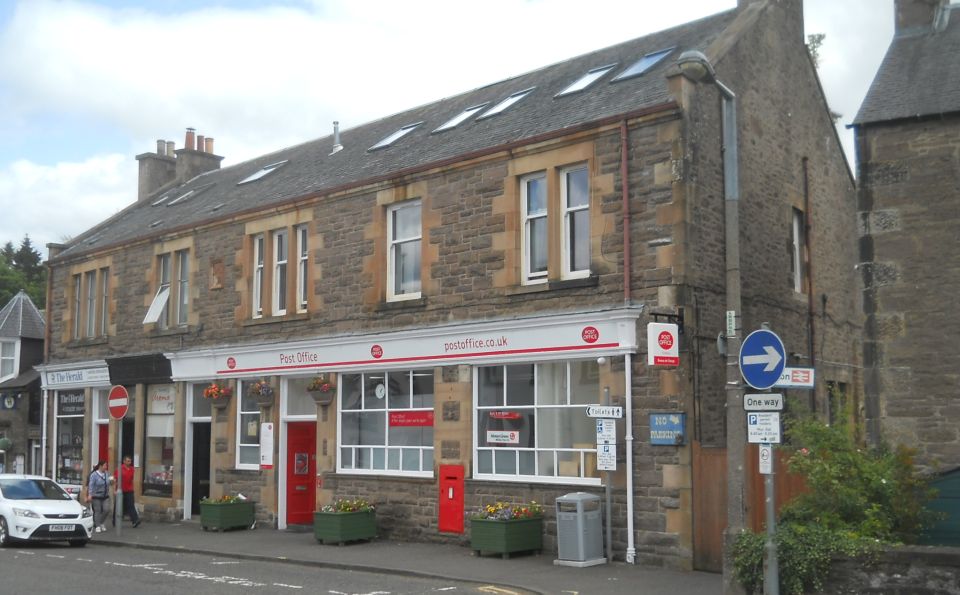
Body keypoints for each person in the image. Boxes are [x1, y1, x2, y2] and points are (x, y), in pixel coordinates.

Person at [113, 456, 141, 528]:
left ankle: (135, 520)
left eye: (130, 461)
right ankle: (115, 520)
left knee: (131, 505)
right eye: (128, 461)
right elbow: (115, 480)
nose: (129, 462)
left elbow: (131, 479)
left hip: (129, 490)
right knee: (118, 506)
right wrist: (115, 490)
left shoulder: (132, 469)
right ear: (124, 461)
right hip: (120, 490)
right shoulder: (119, 469)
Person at [86, 460, 111, 533]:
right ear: (100, 466)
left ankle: (100, 522)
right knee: (98, 511)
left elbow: (110, 482)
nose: (106, 467)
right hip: (96, 496)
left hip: (105, 495)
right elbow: (91, 485)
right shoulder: (94, 475)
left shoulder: (107, 474)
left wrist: (112, 481)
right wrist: (90, 495)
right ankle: (97, 526)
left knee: (107, 510)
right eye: (105, 466)